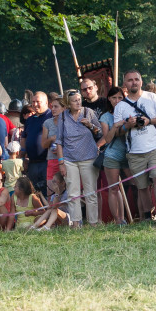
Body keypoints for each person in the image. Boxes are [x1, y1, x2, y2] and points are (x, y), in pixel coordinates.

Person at [113, 70, 156, 220]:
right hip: (134, 152)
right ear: (125, 84)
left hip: (154, 148)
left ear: (141, 81)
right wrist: (128, 125)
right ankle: (147, 216)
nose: (134, 82)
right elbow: (117, 131)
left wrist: (148, 121)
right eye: (130, 80)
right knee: (142, 186)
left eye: (136, 79)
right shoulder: (120, 106)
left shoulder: (152, 97)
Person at [57, 88, 103, 227]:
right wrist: (61, 163)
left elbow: (99, 132)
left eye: (79, 99)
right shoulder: (63, 116)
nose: (78, 102)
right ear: (68, 103)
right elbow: (59, 141)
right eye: (74, 101)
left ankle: (93, 223)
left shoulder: (88, 112)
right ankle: (76, 223)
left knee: (90, 192)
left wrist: (90, 125)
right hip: (70, 159)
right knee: (73, 193)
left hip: (88, 157)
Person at [98, 87, 130, 224]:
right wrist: (115, 126)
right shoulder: (105, 117)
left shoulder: (129, 112)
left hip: (130, 153)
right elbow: (108, 139)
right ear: (109, 99)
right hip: (112, 155)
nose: (117, 101)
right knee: (113, 188)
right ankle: (119, 220)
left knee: (138, 183)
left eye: (120, 98)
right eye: (114, 98)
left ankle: (144, 215)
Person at [23, 92, 51, 193]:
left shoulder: (52, 116)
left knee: (47, 192)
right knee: (33, 193)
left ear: (46, 102)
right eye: (33, 102)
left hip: (47, 162)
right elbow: (24, 139)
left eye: (38, 102)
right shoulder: (29, 120)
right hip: (32, 163)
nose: (34, 104)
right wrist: (23, 158)